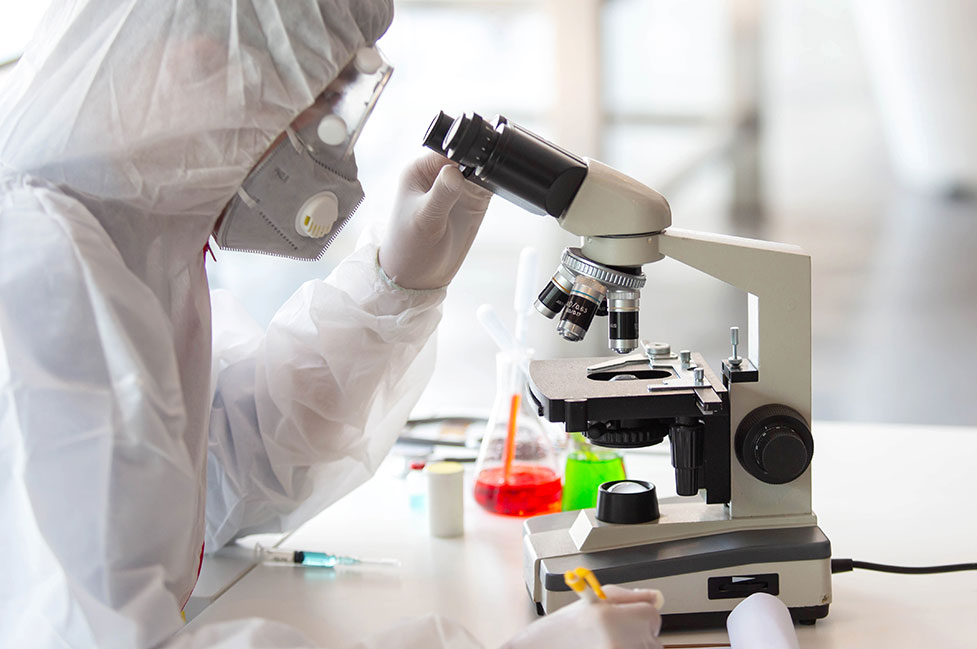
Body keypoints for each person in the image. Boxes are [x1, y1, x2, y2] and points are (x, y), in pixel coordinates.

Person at [0, 1, 662, 648]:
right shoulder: (42, 264)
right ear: (204, 69)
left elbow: (216, 472)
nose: (323, 141)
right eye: (325, 95)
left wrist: (389, 290)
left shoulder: (137, 237)